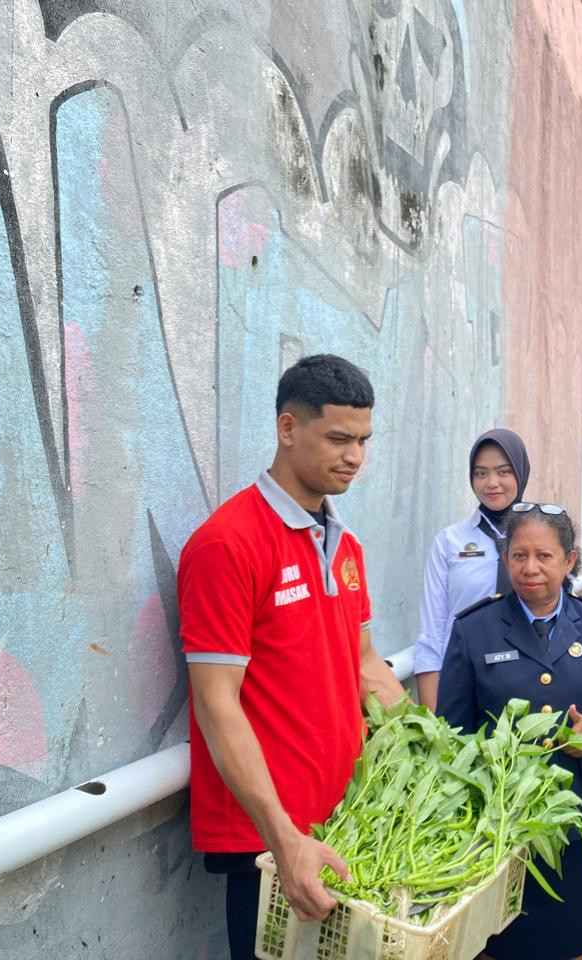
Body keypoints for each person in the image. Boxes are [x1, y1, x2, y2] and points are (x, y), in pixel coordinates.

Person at [179, 354, 406, 960]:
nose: (355, 456)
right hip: (269, 841)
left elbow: (365, 665)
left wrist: (430, 752)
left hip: (342, 820)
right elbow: (215, 703)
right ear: (287, 428)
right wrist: (285, 839)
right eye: (338, 438)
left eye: (362, 440)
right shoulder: (228, 544)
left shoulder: (345, 542)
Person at [438, 503, 582, 960]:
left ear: (570, 561)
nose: (530, 568)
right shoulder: (475, 630)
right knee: (496, 942)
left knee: (571, 942)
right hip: (498, 827)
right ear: (505, 558)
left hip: (576, 821)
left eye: (545, 556)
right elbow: (452, 732)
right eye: (519, 555)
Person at [414, 429, 531, 708]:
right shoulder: (448, 542)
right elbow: (432, 634)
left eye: (503, 472)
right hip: (465, 684)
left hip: (532, 682)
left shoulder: (546, 536)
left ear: (521, 472)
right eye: (481, 473)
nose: (492, 483)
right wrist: (433, 720)